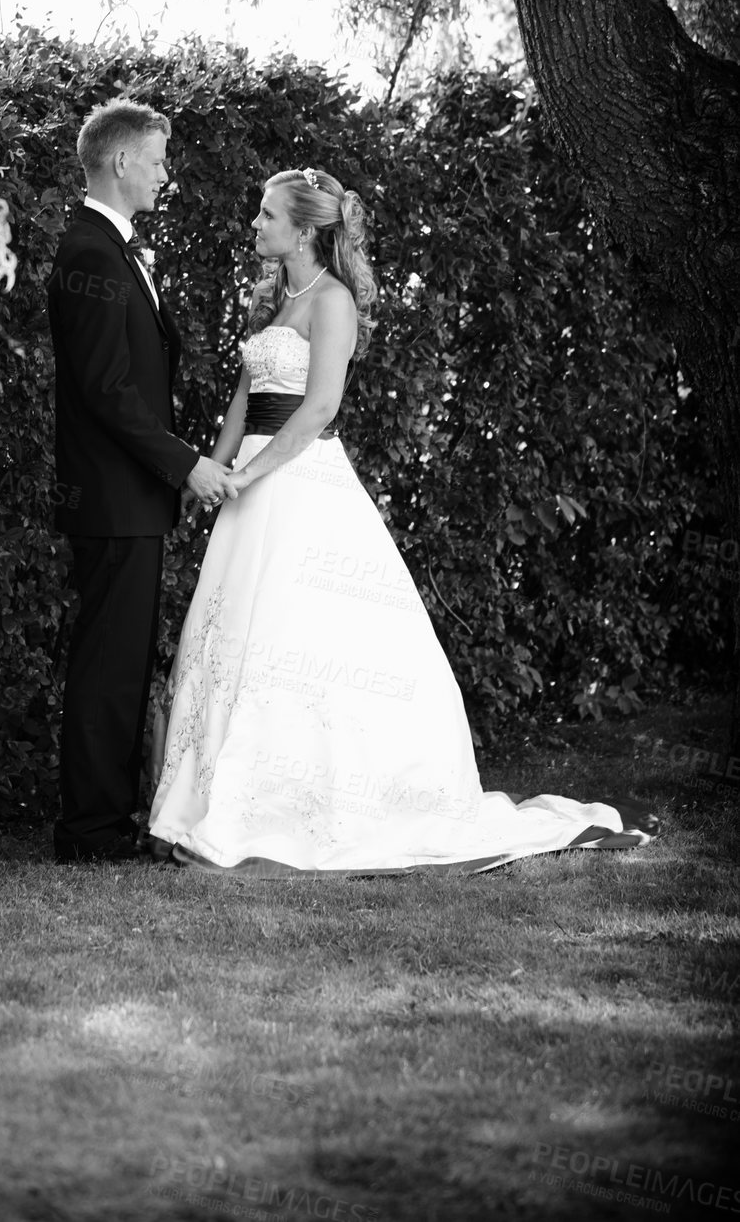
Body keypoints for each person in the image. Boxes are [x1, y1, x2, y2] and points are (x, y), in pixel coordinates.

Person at [148, 165, 659, 875]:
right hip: (252, 489)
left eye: (266, 216)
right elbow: (247, 394)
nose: (255, 226)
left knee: (297, 639)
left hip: (300, 482)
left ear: (302, 230)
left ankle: (293, 812)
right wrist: (215, 467)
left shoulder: (332, 302)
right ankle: (207, 806)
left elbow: (320, 407)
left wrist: (249, 475)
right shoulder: (275, 295)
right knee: (232, 636)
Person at [48, 99, 236, 864]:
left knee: (121, 662)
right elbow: (106, 389)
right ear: (122, 162)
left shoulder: (112, 249)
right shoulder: (91, 254)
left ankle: (108, 820)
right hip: (115, 496)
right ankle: (91, 832)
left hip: (130, 498)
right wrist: (184, 461)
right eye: (157, 160)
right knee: (108, 666)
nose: (166, 174)